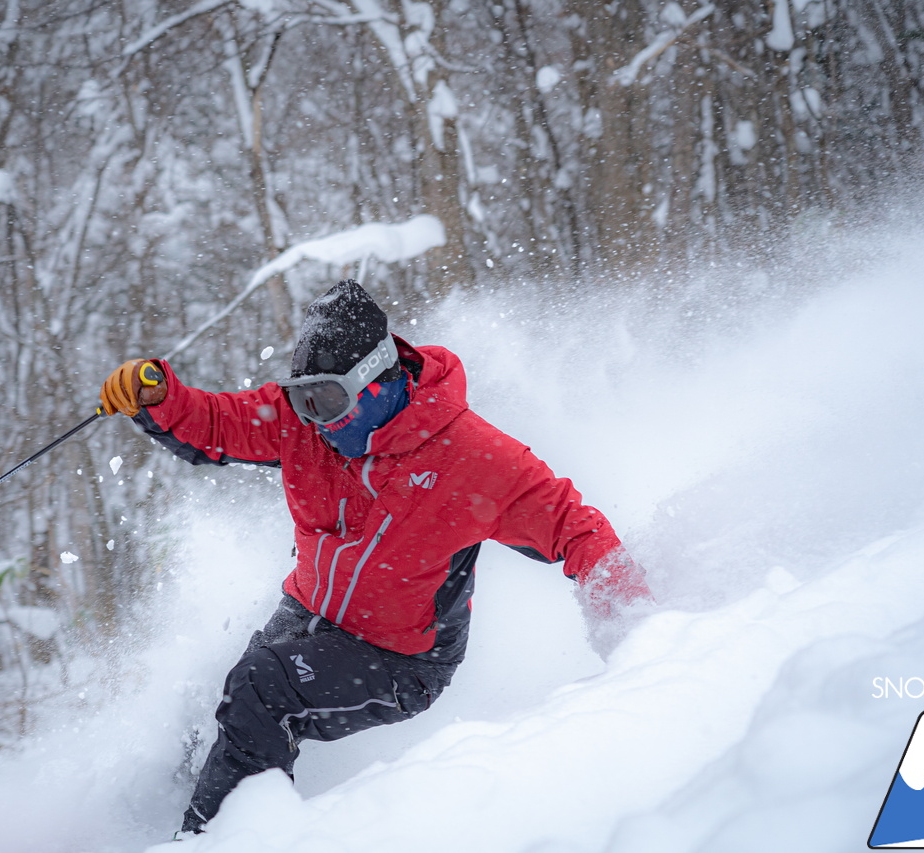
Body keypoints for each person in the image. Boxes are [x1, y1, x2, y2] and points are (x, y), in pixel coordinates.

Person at [98, 280, 651, 835]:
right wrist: (160, 397)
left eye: (329, 400)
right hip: (307, 612)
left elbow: (576, 528)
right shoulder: (305, 425)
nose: (314, 419)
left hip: (399, 658)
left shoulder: (472, 458)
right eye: (301, 398)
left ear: (380, 381)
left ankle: (210, 842)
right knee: (222, 703)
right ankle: (151, 822)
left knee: (261, 688)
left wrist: (640, 629)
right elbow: (217, 423)